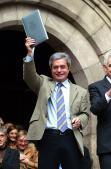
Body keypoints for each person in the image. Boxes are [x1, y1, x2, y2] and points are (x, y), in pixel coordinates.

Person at [23, 37, 89, 169]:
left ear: (68, 68)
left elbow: (85, 114)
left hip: (71, 137)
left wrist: (80, 120)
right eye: (55, 67)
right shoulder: (43, 83)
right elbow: (29, 76)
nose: (59, 70)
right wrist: (30, 54)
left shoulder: (81, 91)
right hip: (48, 137)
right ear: (51, 69)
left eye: (62, 67)